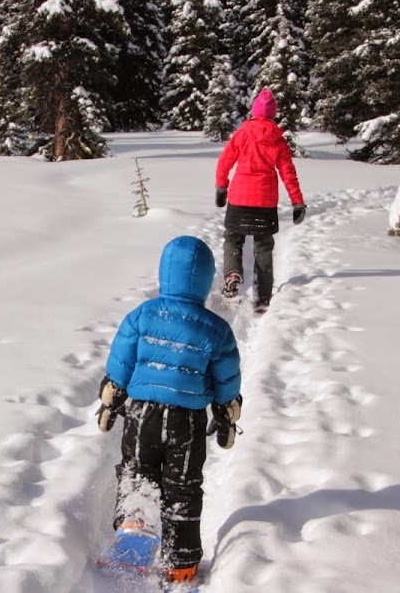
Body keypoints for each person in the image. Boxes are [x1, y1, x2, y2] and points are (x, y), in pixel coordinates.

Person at [95, 235, 243, 586]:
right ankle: (181, 564)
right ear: (205, 281)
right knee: (183, 488)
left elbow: (121, 362)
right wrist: (226, 415)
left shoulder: (142, 315)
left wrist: (112, 399)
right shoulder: (216, 329)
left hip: (142, 414)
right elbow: (227, 381)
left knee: (138, 472)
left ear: (165, 274)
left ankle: (134, 530)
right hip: (187, 423)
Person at [214, 88, 306, 310]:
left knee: (233, 238)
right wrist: (297, 202)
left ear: (254, 112)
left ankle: (233, 276)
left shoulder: (242, 133)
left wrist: (221, 187)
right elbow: (288, 174)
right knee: (263, 246)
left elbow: (224, 161)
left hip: (239, 198)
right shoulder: (277, 139)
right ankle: (263, 298)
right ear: (273, 115)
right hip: (265, 202)